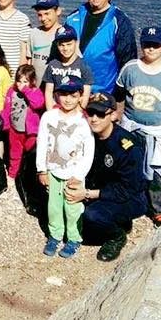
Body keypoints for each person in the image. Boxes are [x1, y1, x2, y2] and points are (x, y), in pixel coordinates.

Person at [115, 27, 161, 227]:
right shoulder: (130, 68)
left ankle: (158, 208)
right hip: (132, 125)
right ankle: (129, 202)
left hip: (158, 129)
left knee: (159, 169)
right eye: (147, 44)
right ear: (142, 45)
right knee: (130, 166)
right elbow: (120, 91)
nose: (151, 49)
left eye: (156, 45)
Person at [64, 92, 147, 262]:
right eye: (90, 113)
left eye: (101, 114)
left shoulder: (126, 146)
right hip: (98, 189)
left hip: (128, 197)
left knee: (92, 216)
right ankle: (116, 221)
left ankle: (116, 236)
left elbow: (127, 189)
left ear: (113, 116)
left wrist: (86, 194)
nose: (94, 119)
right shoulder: (87, 137)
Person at [36, 76, 95, 259]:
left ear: (80, 96)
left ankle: (74, 238)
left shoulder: (84, 121)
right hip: (53, 170)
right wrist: (42, 169)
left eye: (73, 95)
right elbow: (42, 143)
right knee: (54, 206)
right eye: (63, 94)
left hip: (74, 173)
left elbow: (89, 151)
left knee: (72, 207)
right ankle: (55, 235)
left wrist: (79, 175)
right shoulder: (48, 117)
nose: (68, 99)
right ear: (56, 95)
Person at [64, 0, 136, 93]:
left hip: (103, 92)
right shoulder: (73, 17)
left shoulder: (119, 20)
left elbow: (127, 60)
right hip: (72, 90)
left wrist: (120, 93)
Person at [0, 64, 45, 179]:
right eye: (19, 81)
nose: (21, 85)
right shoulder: (12, 91)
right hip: (15, 129)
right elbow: (7, 108)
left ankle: (26, 174)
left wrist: (26, 91)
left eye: (25, 82)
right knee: (14, 153)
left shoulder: (35, 91)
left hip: (30, 132)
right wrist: (5, 123)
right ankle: (12, 175)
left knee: (29, 152)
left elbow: (38, 104)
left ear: (32, 81)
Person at [41, 25, 94, 110]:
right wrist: (50, 113)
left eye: (69, 44)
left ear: (76, 43)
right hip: (56, 109)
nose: (65, 48)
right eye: (61, 45)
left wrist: (78, 113)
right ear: (57, 45)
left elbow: (85, 95)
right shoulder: (52, 65)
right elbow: (48, 93)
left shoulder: (84, 66)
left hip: (76, 110)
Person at [26, 0, 63, 82]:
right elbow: (29, 60)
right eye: (40, 15)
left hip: (56, 86)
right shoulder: (34, 33)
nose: (43, 18)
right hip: (35, 87)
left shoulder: (65, 34)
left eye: (47, 13)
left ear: (58, 11)